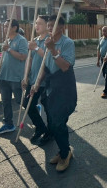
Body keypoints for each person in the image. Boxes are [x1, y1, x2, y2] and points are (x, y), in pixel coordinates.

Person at [36, 15, 77, 172]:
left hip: (64, 89)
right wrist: (37, 84)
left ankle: (65, 154)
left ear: (61, 27)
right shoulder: (47, 42)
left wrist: (53, 49)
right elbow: (45, 68)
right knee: (54, 124)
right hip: (51, 88)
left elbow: (65, 66)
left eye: (53, 25)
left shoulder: (67, 43)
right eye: (48, 25)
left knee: (58, 123)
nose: (49, 28)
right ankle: (64, 151)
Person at [0, 19, 28, 135]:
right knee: (6, 101)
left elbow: (23, 57)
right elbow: (4, 59)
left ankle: (33, 107)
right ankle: (8, 124)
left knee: (19, 100)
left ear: (14, 27)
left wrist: (8, 49)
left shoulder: (21, 40)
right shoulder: (7, 40)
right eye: (4, 26)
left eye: (7, 26)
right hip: (4, 77)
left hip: (16, 77)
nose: (4, 29)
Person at [21, 15, 52, 145]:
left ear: (46, 25)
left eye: (39, 23)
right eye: (36, 23)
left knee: (48, 108)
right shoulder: (34, 40)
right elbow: (30, 59)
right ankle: (40, 127)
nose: (36, 26)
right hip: (33, 79)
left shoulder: (49, 40)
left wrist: (35, 48)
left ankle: (50, 132)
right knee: (27, 103)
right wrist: (25, 76)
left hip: (45, 80)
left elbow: (48, 58)